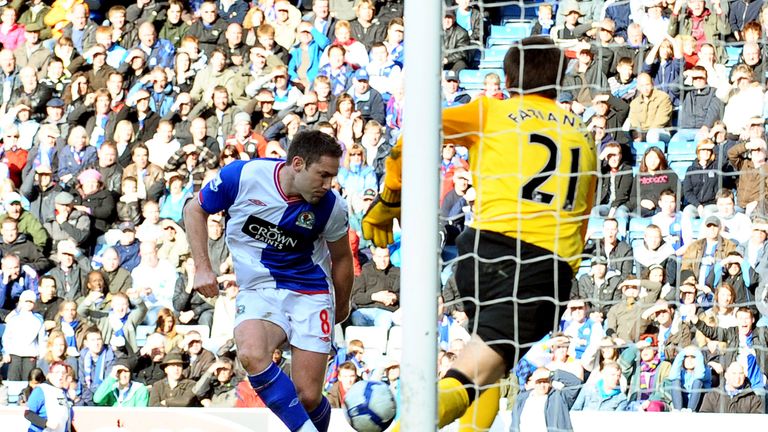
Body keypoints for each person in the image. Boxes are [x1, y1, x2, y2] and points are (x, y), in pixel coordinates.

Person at [363, 37, 596, 430]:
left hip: (479, 252)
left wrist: (390, 198)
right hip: (539, 268)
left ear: (508, 79)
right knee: (471, 375)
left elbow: (415, 131)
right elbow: (582, 216)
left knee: (487, 361)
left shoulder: (491, 110)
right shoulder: (583, 137)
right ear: (561, 80)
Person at [185, 129, 354, 432]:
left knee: (307, 397)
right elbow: (194, 208)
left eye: (332, 177)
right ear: (298, 164)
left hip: (309, 292)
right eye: (323, 175)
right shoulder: (242, 176)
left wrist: (341, 304)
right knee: (250, 353)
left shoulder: (332, 206)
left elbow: (342, 258)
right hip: (257, 288)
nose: (328, 185)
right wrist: (202, 266)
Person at [23, 361, 76, 432]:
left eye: (63, 373)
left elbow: (67, 422)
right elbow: (28, 413)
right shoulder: (41, 390)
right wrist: (46, 423)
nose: (60, 375)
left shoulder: (64, 393)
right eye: (57, 372)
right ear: (50, 374)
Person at [699, 361, 764, 413]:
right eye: (734, 373)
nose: (737, 377)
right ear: (726, 375)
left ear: (744, 376)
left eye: (741, 373)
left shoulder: (753, 399)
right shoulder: (712, 395)